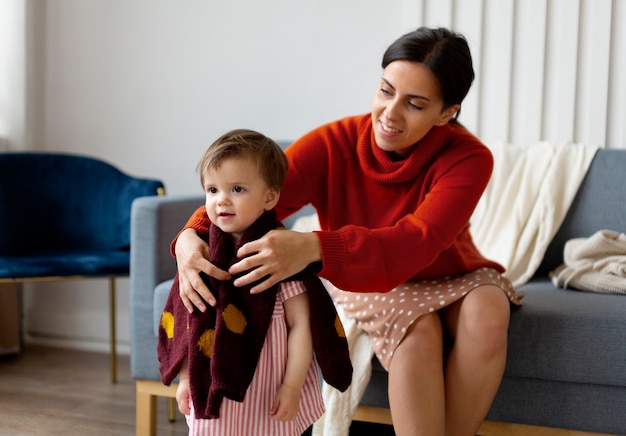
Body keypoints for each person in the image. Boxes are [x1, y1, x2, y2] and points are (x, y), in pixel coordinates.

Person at [172, 27, 523, 436]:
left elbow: (418, 240)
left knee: (489, 310)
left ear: (446, 113)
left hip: (442, 269)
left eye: (414, 103)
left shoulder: (469, 158)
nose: (390, 113)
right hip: (365, 276)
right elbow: (251, 195)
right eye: (385, 91)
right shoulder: (331, 142)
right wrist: (188, 237)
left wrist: (314, 246)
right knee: (418, 331)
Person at [157, 129, 351, 436]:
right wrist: (185, 379)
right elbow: (188, 322)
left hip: (268, 387)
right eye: (212, 190)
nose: (221, 200)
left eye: (237, 189)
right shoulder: (203, 255)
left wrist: (291, 386)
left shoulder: (279, 254)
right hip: (212, 384)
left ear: (270, 197)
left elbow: (301, 325)